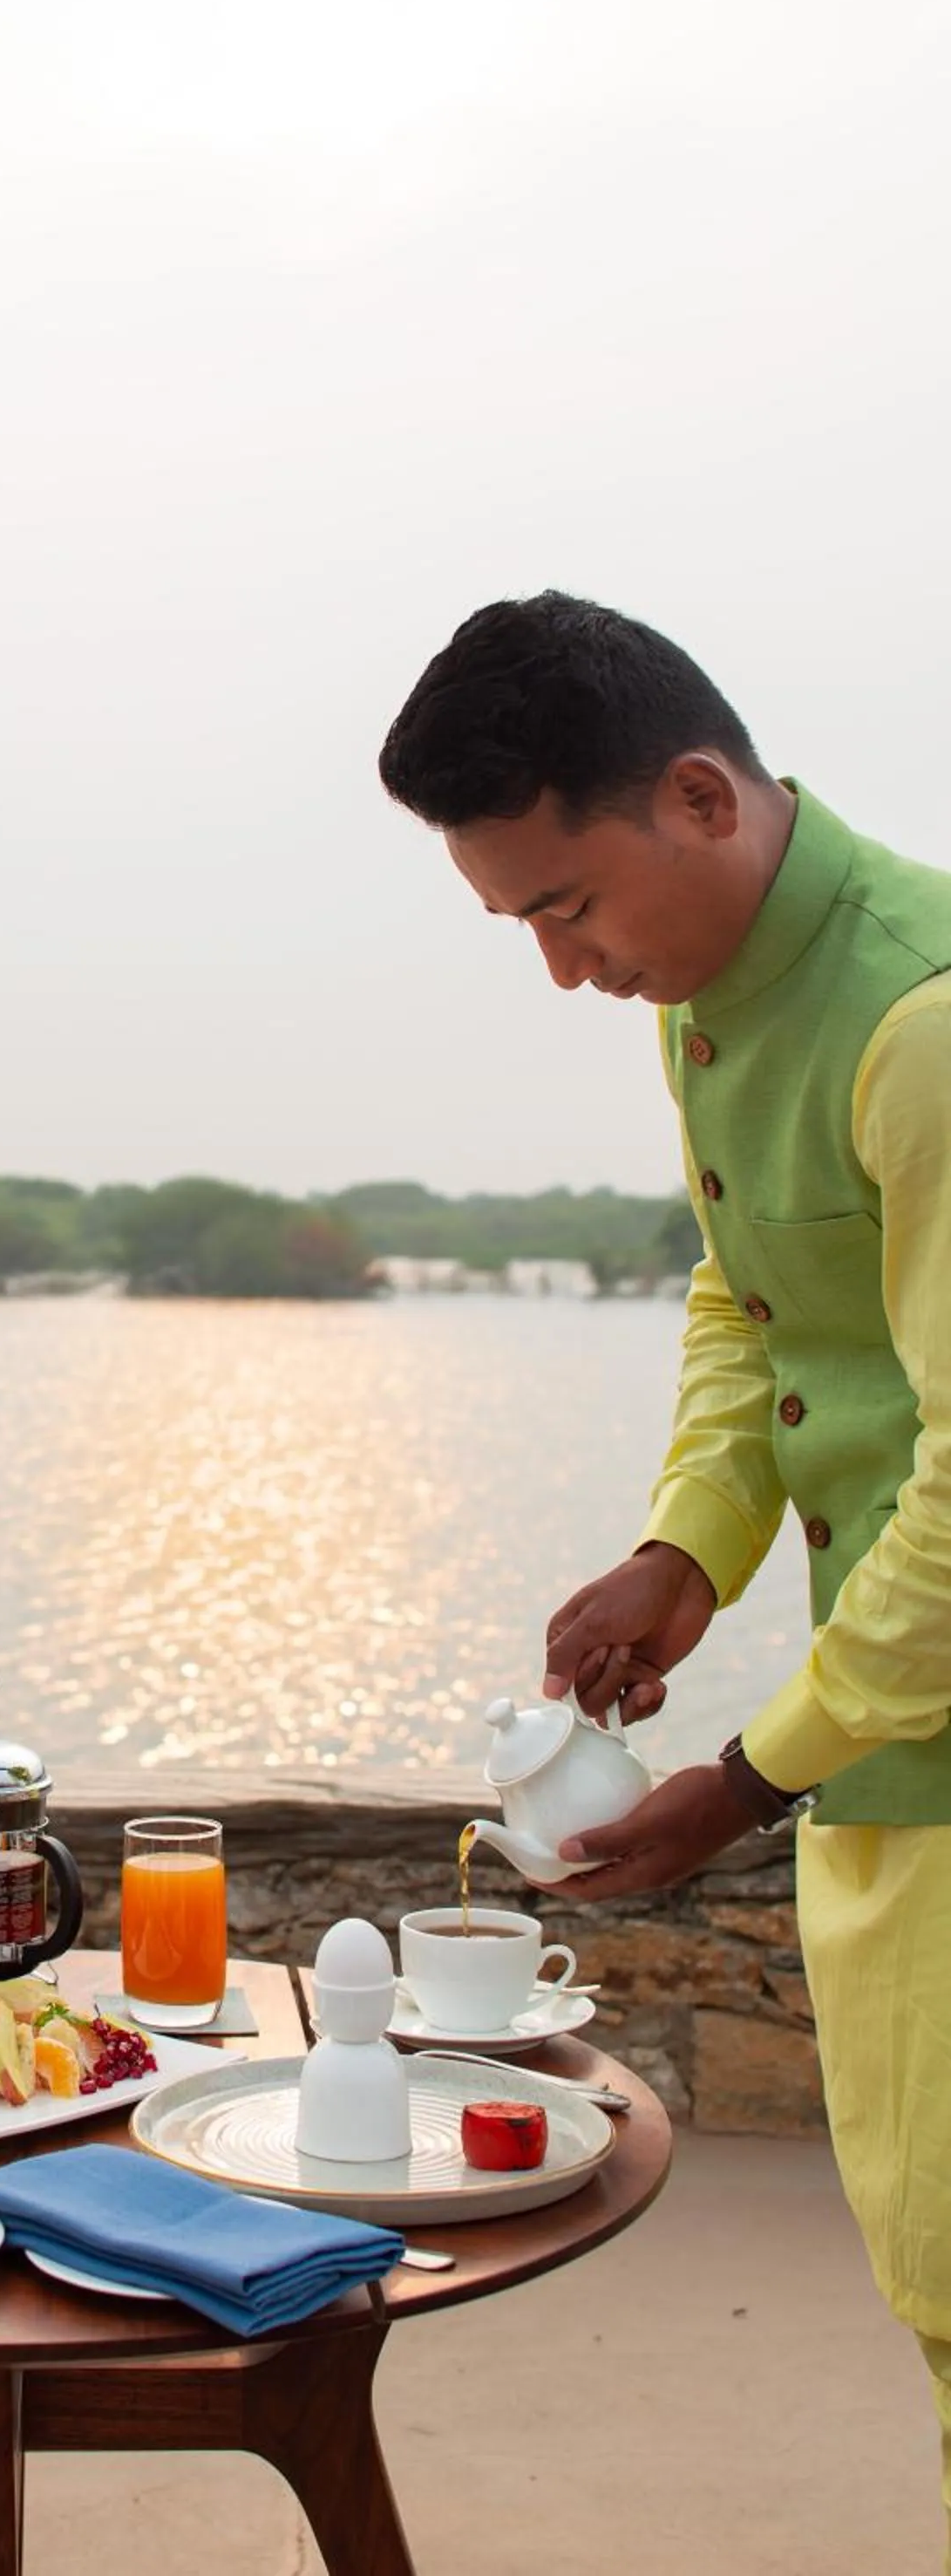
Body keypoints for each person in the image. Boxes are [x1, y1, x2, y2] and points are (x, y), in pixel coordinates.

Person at [379, 590, 951, 2559]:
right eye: (521, 926)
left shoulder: (923, 1020)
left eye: (563, 908)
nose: (562, 971)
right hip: (898, 1760)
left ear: (697, 797)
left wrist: (753, 1771)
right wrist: (682, 1547)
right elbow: (754, 1296)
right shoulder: (713, 1002)